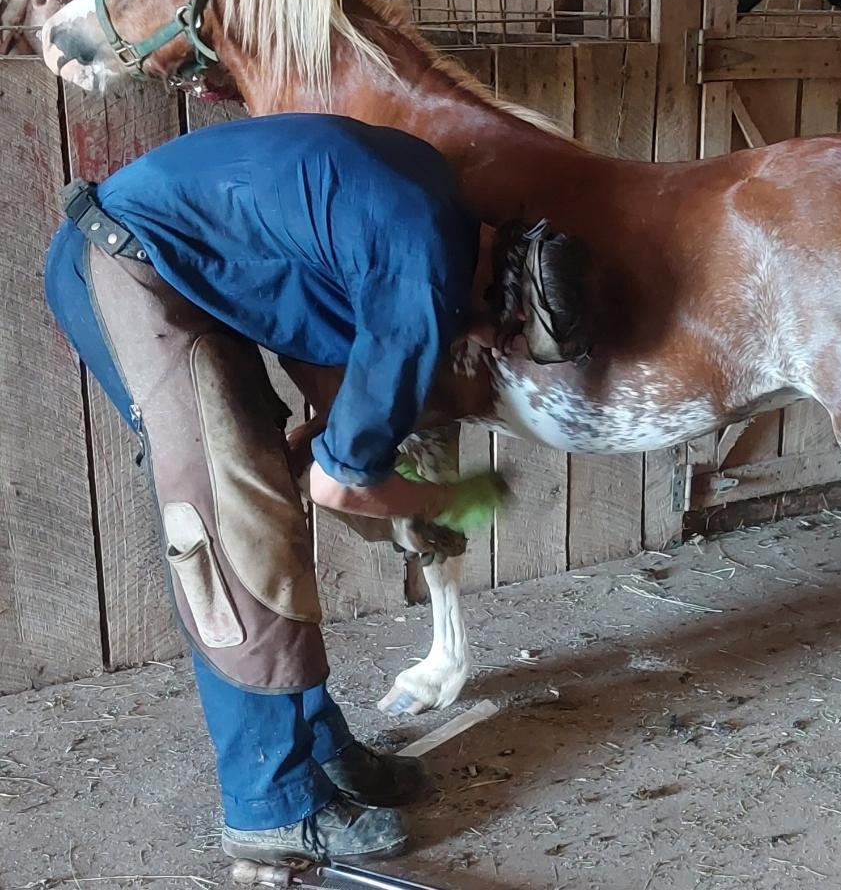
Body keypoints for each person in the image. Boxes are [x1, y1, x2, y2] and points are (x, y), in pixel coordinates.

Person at [43, 113, 589, 865]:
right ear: (508, 311)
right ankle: (270, 805)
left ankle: (319, 746)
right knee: (230, 530)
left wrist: (343, 461)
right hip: (125, 269)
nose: (497, 351)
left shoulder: (442, 207)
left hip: (173, 266)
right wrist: (440, 504)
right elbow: (341, 489)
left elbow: (332, 419)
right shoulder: (423, 283)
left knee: (260, 497)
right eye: (512, 341)